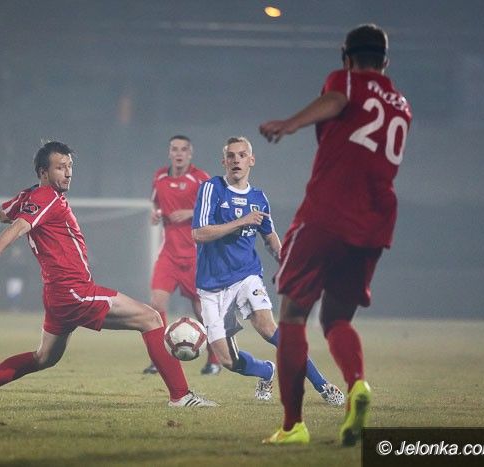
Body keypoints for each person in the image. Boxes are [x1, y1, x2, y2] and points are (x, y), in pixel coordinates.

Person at [0, 141, 217, 408]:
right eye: (60, 167)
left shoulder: (31, 196)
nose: (68, 173)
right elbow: (20, 224)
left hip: (57, 295)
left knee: (44, 358)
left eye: (70, 166)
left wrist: (24, 204)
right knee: (150, 318)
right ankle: (181, 396)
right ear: (43, 172)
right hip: (74, 291)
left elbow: (3, 214)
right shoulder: (46, 196)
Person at [259, 24, 412, 445]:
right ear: (386, 62)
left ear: (347, 57)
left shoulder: (345, 80)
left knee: (293, 315)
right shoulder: (402, 106)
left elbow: (337, 100)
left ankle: (293, 426)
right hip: (374, 224)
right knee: (336, 319)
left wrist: (290, 123)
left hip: (327, 214)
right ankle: (357, 383)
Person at [191, 136, 344, 405]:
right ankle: (266, 371)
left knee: (268, 328)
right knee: (227, 360)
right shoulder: (211, 189)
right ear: (223, 161)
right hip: (211, 286)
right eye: (231, 156)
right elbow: (199, 233)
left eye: (242, 155)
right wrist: (241, 222)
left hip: (246, 275)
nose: (236, 160)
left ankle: (323, 385)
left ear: (251, 160)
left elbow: (269, 236)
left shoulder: (259, 198)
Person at [143, 135, 221, 376]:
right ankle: (160, 360)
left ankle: (214, 360)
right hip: (168, 254)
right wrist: (156, 213)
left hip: (196, 255)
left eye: (183, 149)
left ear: (190, 153)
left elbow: (217, 209)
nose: (179, 153)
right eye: (174, 149)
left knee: (202, 311)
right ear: (169, 153)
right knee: (156, 306)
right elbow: (156, 204)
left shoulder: (201, 178)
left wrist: (190, 212)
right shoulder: (160, 177)